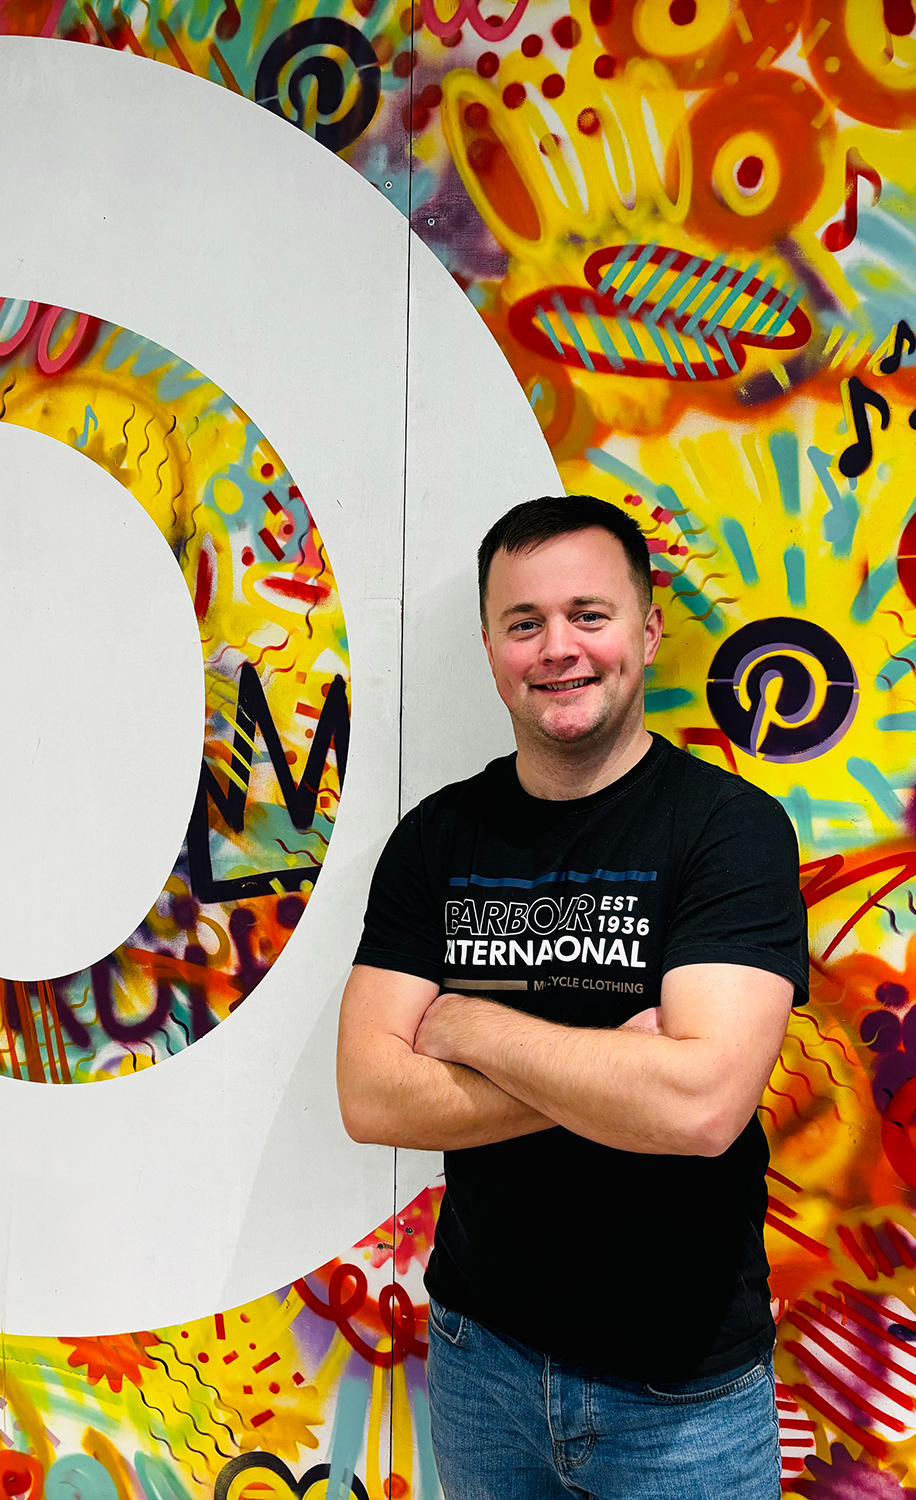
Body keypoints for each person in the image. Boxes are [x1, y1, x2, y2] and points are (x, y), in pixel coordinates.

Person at [335, 494, 808, 1500]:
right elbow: (370, 1096)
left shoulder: (728, 831)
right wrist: (618, 1069)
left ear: (645, 628)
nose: (557, 648)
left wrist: (468, 1027)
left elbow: (699, 1108)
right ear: (489, 644)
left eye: (587, 615)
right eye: (524, 623)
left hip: (682, 1392)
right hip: (480, 1360)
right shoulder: (437, 839)